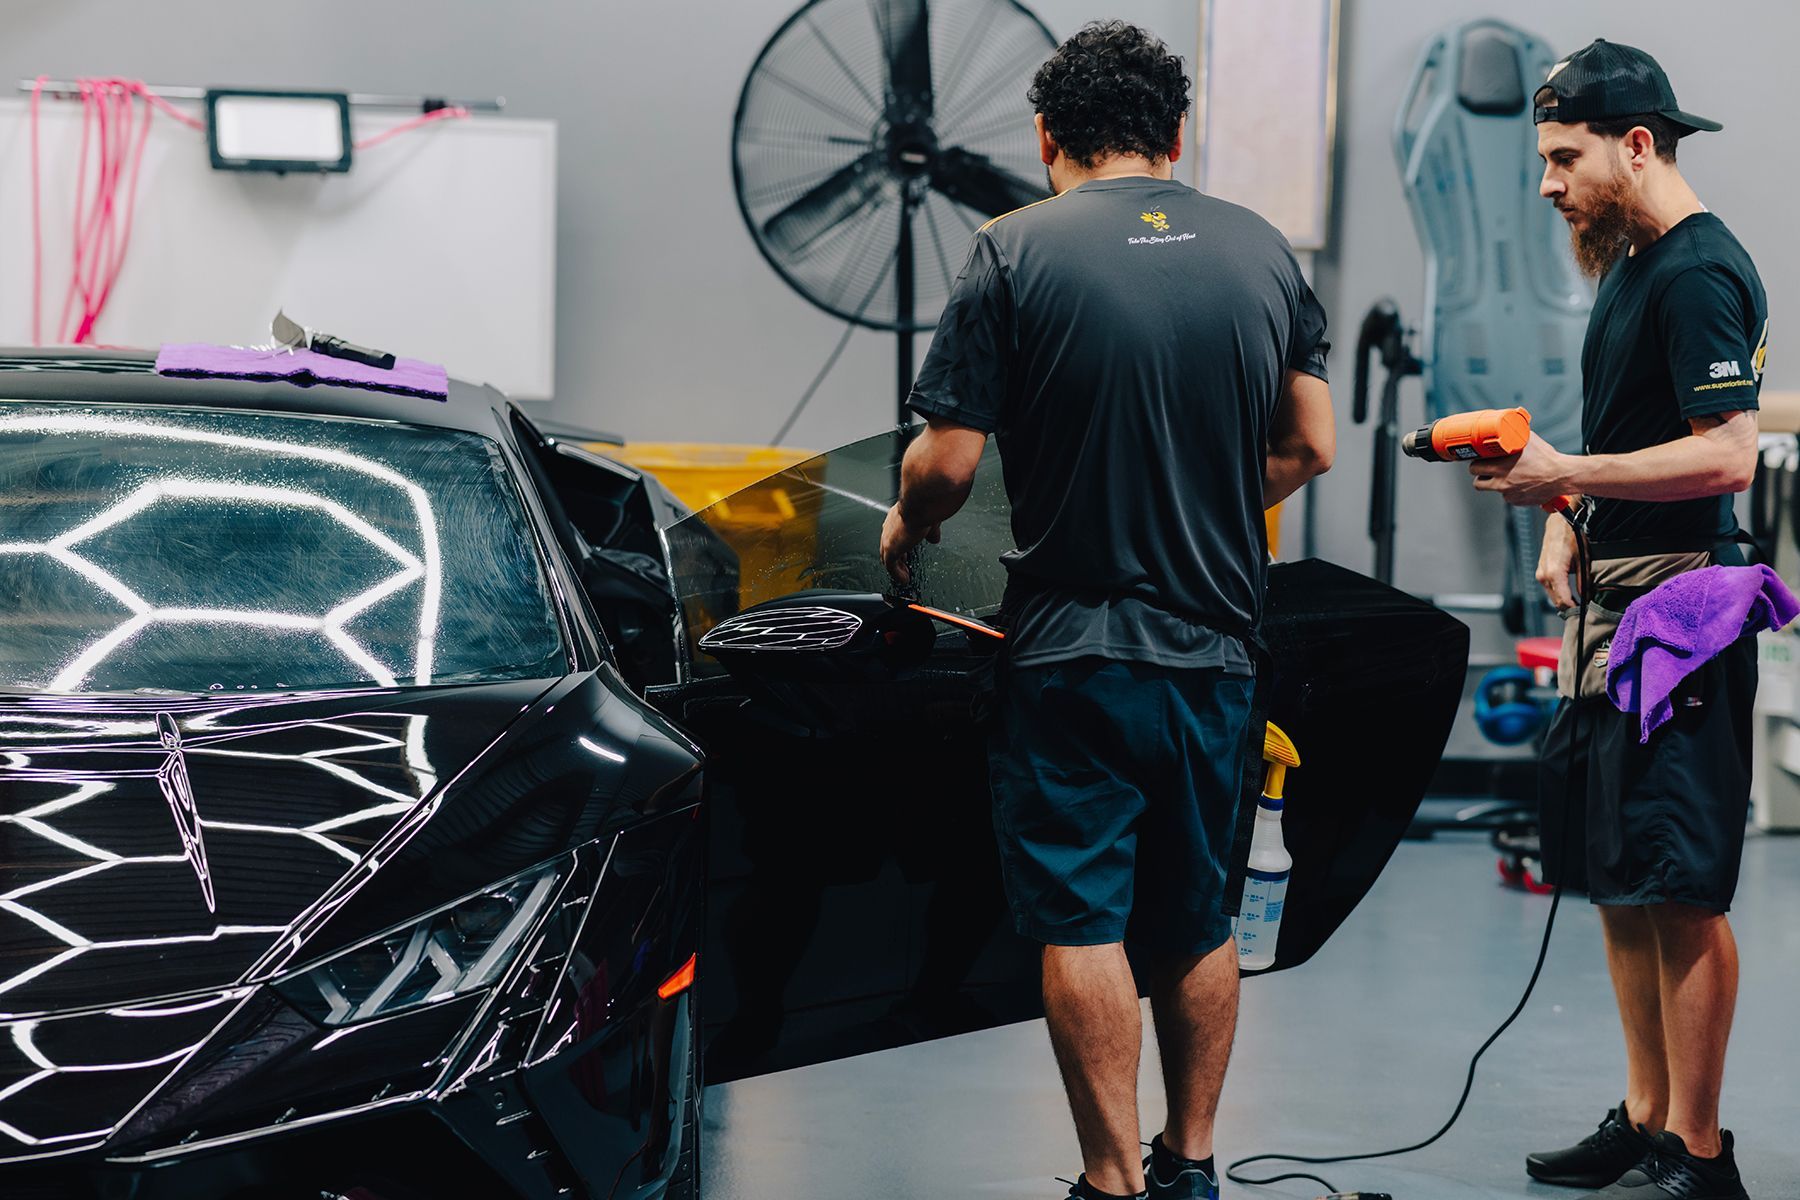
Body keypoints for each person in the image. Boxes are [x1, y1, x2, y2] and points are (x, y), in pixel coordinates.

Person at [877, 21, 1333, 1200]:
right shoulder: (1265, 251)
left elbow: (948, 466)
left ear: (1045, 138)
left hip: (1073, 653)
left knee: (1082, 921)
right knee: (1196, 919)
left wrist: (906, 525)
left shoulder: (1010, 250)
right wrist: (1216, 492)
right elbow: (1312, 444)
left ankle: (1109, 1181)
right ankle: (1192, 1167)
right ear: (1177, 134)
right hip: (1220, 646)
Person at [1468, 38, 1765, 1200]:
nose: (1547, 184)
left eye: (1562, 158)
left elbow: (1729, 455)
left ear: (1635, 145)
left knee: (1681, 883)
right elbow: (1629, 425)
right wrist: (1566, 510)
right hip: (1613, 598)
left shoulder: (1697, 273)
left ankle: (1699, 1151)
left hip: (1682, 605)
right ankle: (1646, 1120)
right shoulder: (1630, 262)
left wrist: (1567, 474)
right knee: (1621, 871)